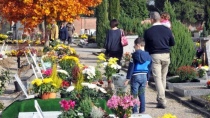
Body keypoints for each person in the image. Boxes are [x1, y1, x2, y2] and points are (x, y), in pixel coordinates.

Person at [144, 11, 175, 109]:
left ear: (152, 19)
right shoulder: (167, 29)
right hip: (166, 55)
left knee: (157, 78)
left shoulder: (148, 31)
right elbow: (172, 43)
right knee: (163, 77)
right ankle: (160, 97)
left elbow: (146, 47)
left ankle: (162, 100)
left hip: (155, 55)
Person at [124, 38, 152, 113]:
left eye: (134, 46)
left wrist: (128, 78)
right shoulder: (149, 56)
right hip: (144, 76)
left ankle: (135, 111)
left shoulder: (134, 55)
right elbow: (149, 68)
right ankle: (142, 111)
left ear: (138, 45)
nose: (134, 48)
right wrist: (147, 79)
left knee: (134, 95)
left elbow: (131, 67)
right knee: (142, 94)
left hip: (135, 76)